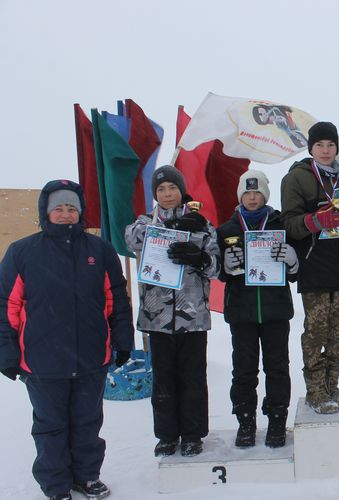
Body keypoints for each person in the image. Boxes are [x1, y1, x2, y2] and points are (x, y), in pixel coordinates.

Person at [0, 180, 134, 500]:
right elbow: (7, 305)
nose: (65, 214)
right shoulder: (22, 252)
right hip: (42, 360)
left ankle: (86, 476)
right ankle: (56, 485)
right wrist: (6, 351)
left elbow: (116, 299)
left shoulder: (99, 251)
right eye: (58, 208)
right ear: (45, 212)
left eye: (71, 208)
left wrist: (123, 339)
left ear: (80, 212)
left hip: (91, 356)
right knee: (51, 426)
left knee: (87, 422)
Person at [125, 165, 220, 458]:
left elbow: (217, 267)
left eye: (172, 188)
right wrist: (172, 227)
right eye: (161, 190)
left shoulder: (200, 223)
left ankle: (193, 434)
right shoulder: (145, 222)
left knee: (193, 378)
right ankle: (166, 436)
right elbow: (130, 238)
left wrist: (200, 258)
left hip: (192, 315)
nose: (167, 194)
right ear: (155, 194)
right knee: (164, 379)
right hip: (158, 317)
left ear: (182, 191)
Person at [280, 121, 339, 414]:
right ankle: (315, 390)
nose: (326, 150)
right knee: (317, 330)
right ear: (310, 148)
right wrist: (316, 221)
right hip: (314, 262)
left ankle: (332, 384)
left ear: (336, 148)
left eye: (330, 145)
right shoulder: (296, 178)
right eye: (319, 145)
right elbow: (289, 223)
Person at [217, 169, 298, 448]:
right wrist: (226, 267)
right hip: (242, 312)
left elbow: (295, 273)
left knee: (277, 368)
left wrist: (292, 260)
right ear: (240, 196)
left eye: (257, 192)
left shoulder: (280, 224)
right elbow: (218, 272)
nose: (252, 198)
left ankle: (277, 420)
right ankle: (245, 421)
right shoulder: (227, 230)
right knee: (243, 371)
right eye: (247, 193)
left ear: (265, 195)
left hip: (276, 311)